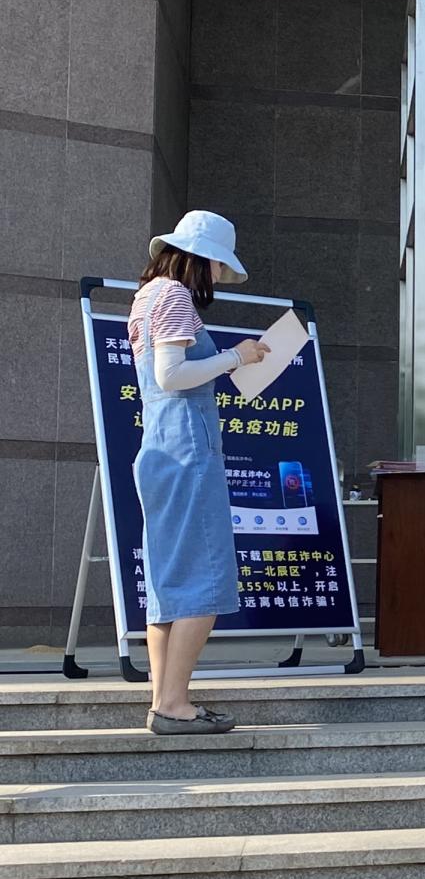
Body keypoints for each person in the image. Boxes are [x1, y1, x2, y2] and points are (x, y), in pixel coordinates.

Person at [129, 211, 267, 735]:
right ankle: (175, 704)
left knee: (169, 582)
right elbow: (171, 375)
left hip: (160, 445)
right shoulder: (173, 296)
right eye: (216, 265)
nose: (217, 276)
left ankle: (164, 700)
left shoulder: (147, 296)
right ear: (201, 259)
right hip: (188, 446)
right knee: (205, 578)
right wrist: (237, 357)